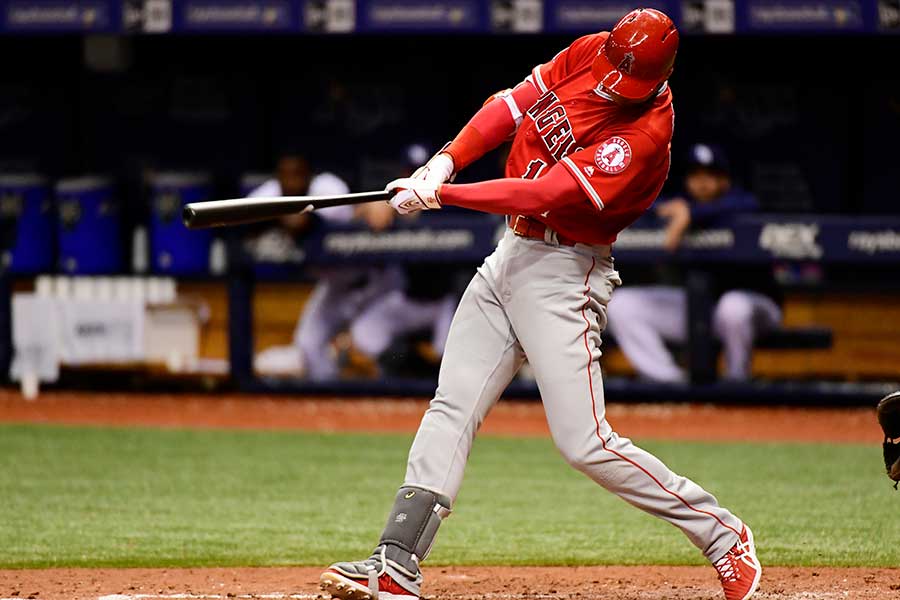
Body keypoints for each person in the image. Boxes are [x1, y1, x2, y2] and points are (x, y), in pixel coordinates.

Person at [318, 9, 761, 600]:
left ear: (662, 75)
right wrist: (446, 159)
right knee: (452, 405)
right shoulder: (591, 49)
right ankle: (396, 563)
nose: (613, 84)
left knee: (586, 443)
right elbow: (511, 105)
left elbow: (544, 192)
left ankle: (723, 535)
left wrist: (442, 195)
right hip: (512, 252)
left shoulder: (645, 135)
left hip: (565, 272)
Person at [606, 143, 782, 382]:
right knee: (621, 304)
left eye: (711, 174)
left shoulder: (740, 203)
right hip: (701, 307)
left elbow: (750, 203)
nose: (702, 181)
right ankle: (669, 382)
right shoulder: (679, 206)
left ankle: (737, 382)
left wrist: (693, 213)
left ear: (726, 180)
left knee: (733, 307)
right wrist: (678, 211)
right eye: (696, 175)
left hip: (755, 306)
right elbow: (645, 208)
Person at [251, 153, 402, 379]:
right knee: (308, 344)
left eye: (298, 175)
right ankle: (333, 399)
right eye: (285, 176)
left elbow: (339, 216)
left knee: (368, 342)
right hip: (334, 286)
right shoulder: (270, 193)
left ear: (309, 176)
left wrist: (371, 207)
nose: (291, 182)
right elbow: (244, 221)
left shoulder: (327, 188)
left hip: (373, 281)